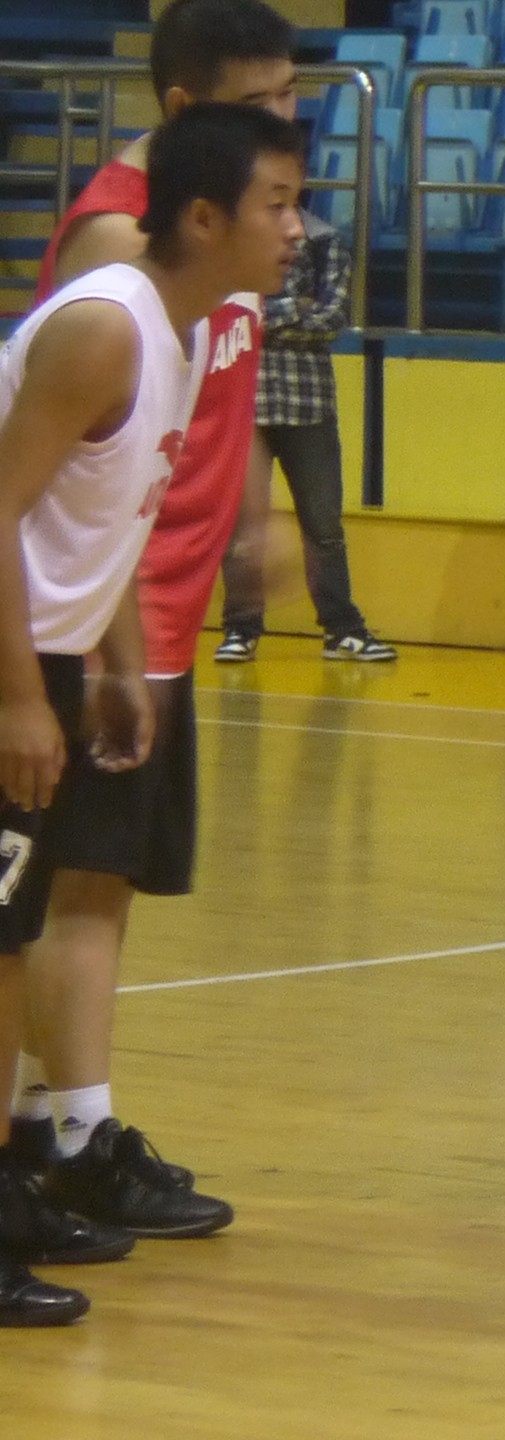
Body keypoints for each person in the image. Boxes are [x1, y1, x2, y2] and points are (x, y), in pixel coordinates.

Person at [0, 102, 304, 1324]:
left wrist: (118, 663)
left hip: (57, 649)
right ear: (203, 216)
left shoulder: (185, 333)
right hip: (14, 654)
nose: (300, 226)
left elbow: (101, 520)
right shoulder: (106, 327)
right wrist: (21, 694)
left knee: (12, 940)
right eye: (280, 202)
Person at [215, 198, 391, 664]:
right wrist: (296, 307)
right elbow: (227, 315)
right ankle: (240, 628)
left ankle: (342, 629)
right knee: (241, 526)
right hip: (246, 403)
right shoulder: (238, 235)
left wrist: (264, 317)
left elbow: (332, 318)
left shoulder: (325, 239)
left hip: (308, 404)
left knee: (323, 526)